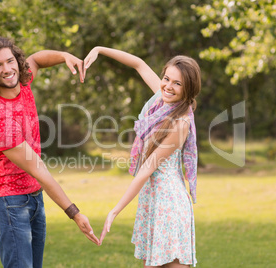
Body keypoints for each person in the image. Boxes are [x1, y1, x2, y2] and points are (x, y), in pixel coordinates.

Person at [0, 37, 99, 268]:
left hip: (35, 197)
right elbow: (39, 168)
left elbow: (37, 59)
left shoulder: (24, 86)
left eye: (10, 61)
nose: (7, 69)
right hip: (10, 204)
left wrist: (63, 56)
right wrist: (75, 213)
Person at [84, 46, 200, 267]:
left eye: (178, 83)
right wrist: (99, 50)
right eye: (167, 78)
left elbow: (147, 168)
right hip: (155, 200)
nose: (168, 86)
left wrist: (115, 210)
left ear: (188, 89)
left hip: (169, 205)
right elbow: (138, 63)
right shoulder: (162, 100)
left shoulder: (180, 122)